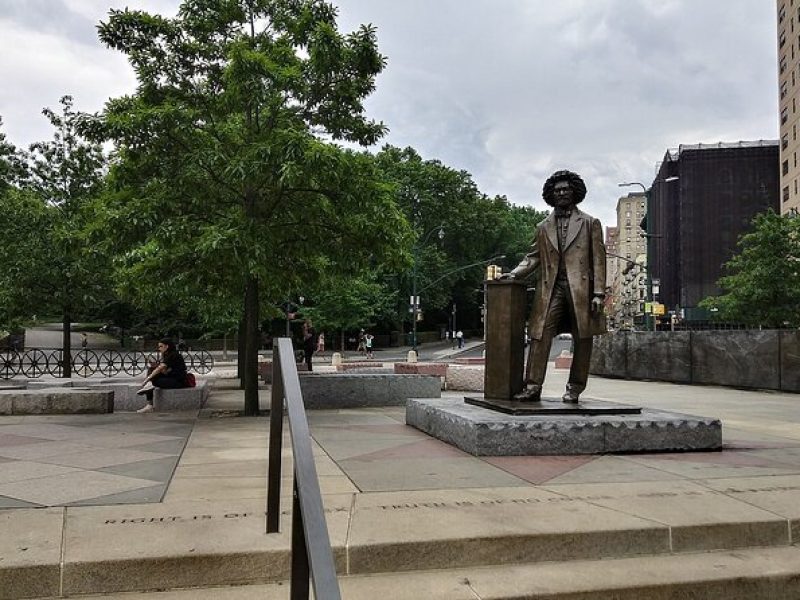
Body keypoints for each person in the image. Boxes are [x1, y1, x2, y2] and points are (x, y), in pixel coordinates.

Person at [502, 170, 606, 404]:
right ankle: (532, 386)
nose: (561, 193)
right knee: (539, 335)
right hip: (551, 289)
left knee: (582, 339)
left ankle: (575, 388)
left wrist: (599, 293)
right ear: (551, 194)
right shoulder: (542, 226)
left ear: (574, 192)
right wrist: (513, 273)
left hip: (581, 290)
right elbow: (532, 258)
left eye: (566, 189)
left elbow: (599, 260)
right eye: (557, 190)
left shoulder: (590, 223)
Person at [136, 338, 188, 413]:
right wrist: (155, 366)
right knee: (152, 370)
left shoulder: (173, 355)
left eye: (161, 346)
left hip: (178, 381)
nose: (159, 349)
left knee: (153, 380)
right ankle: (149, 401)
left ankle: (149, 404)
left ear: (167, 346)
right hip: (171, 377)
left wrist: (147, 380)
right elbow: (165, 371)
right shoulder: (167, 354)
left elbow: (161, 368)